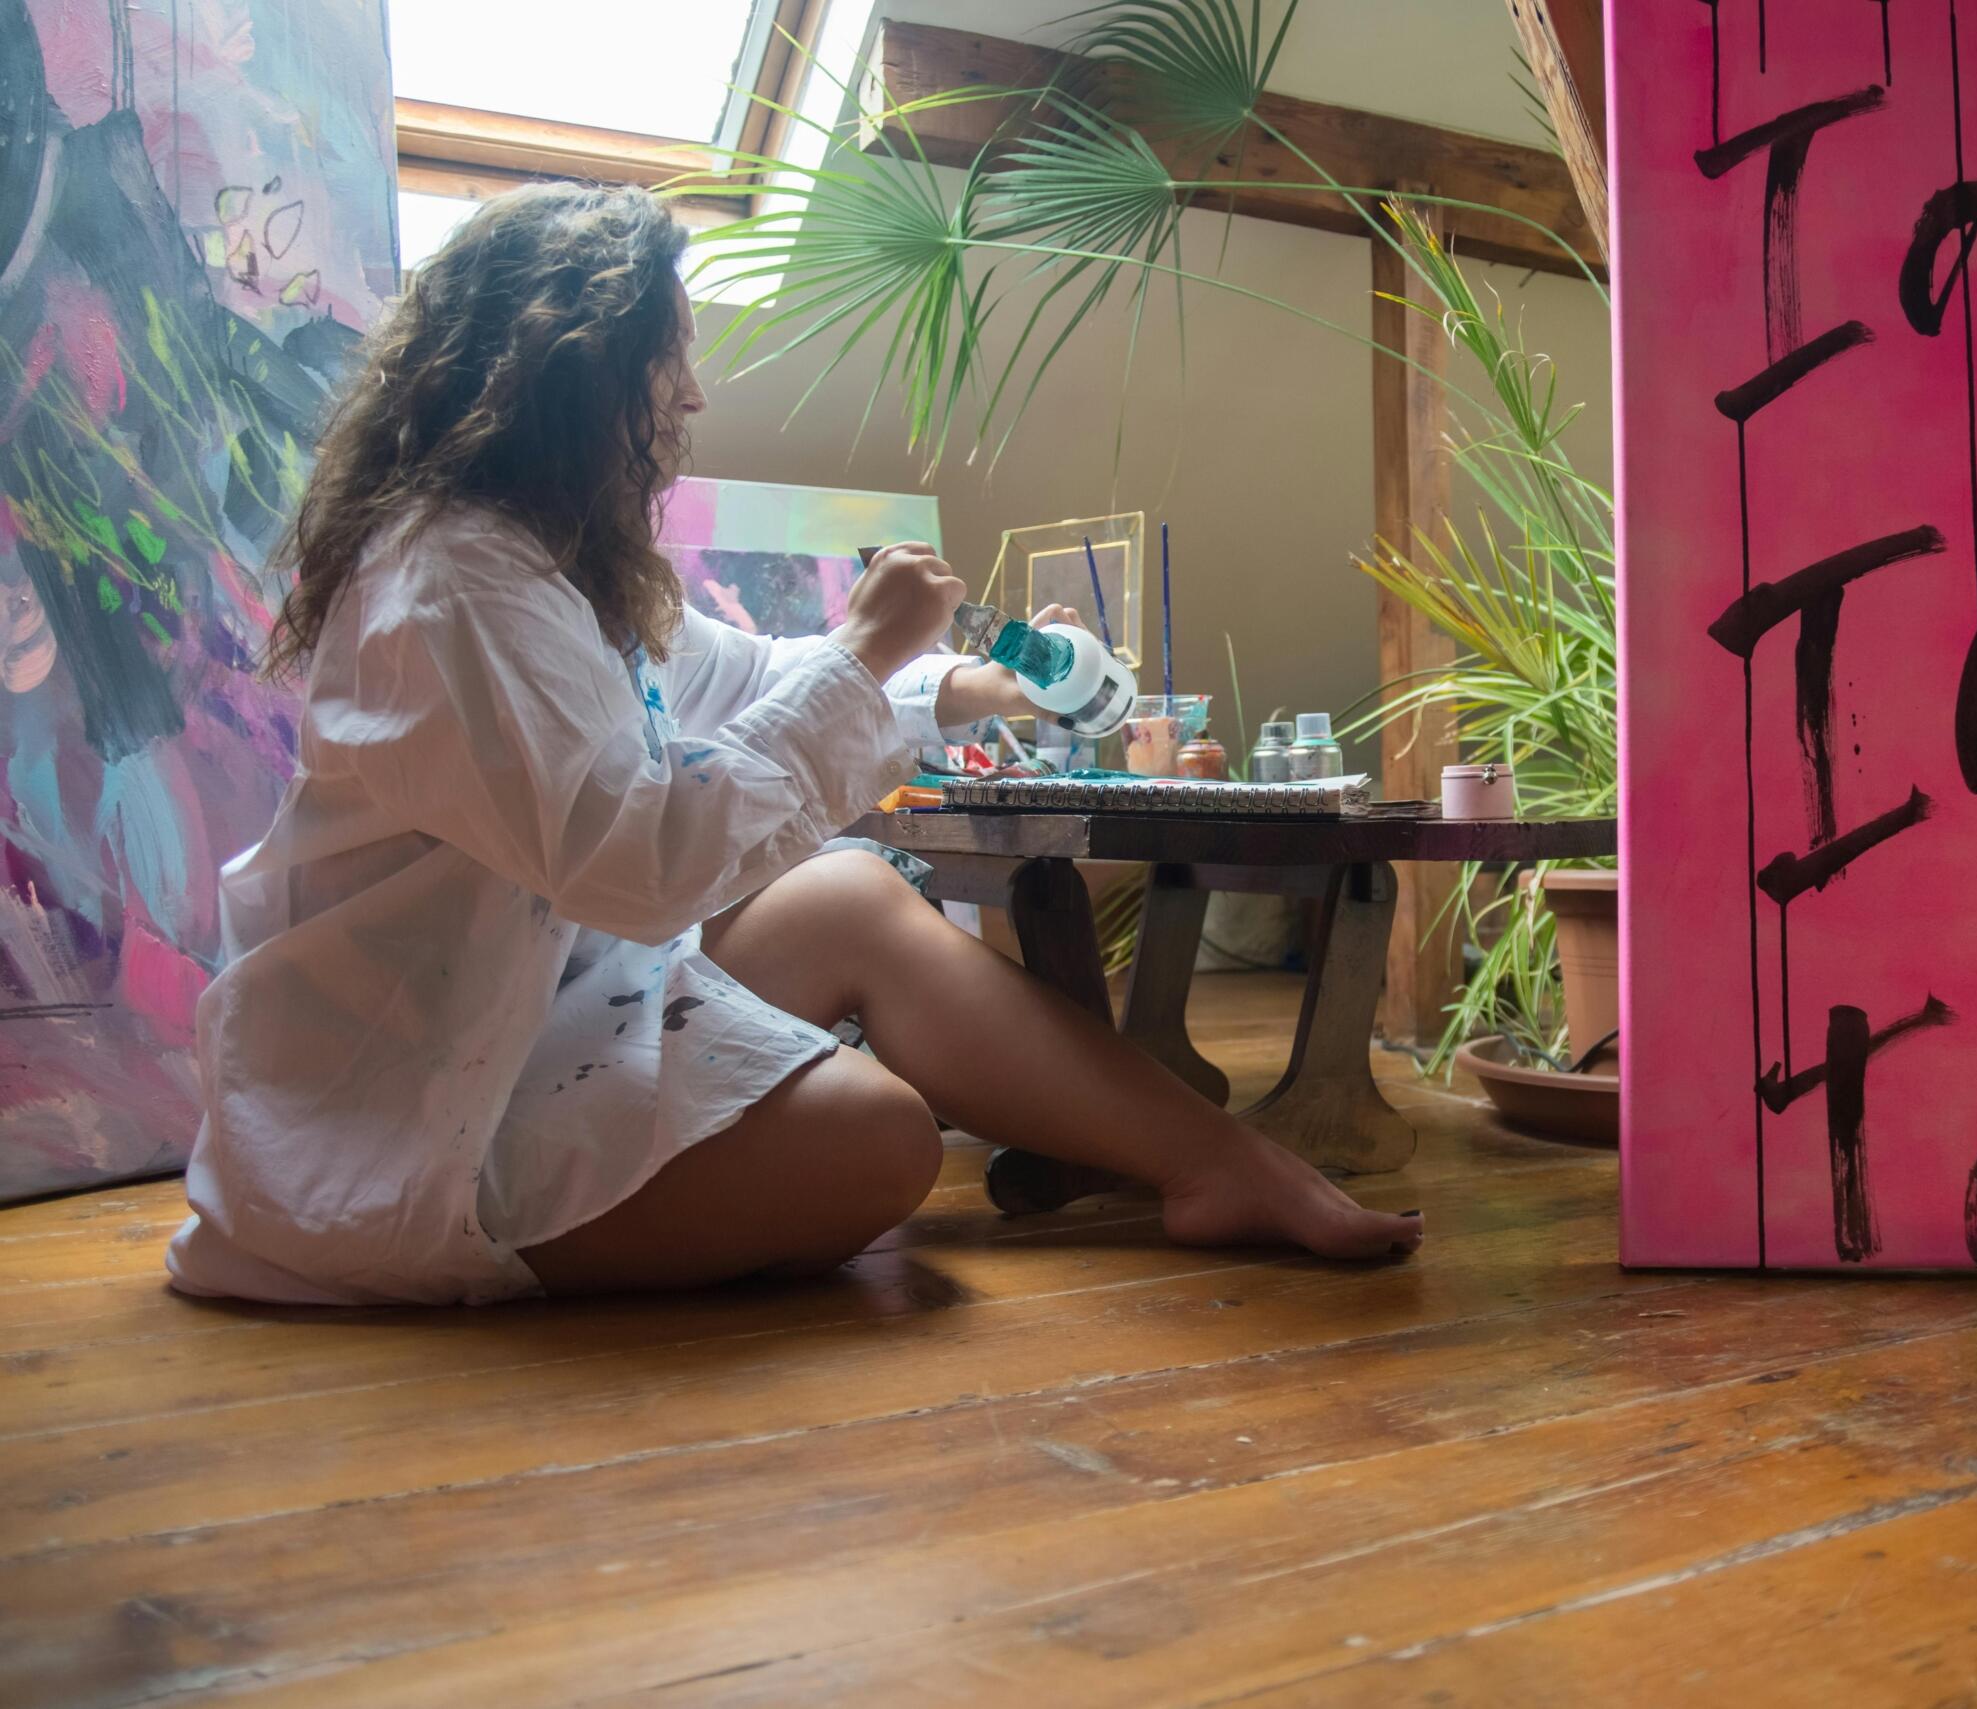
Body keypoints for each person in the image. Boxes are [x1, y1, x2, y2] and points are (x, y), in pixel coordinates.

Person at [165, 183, 1422, 1305]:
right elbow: (637, 866)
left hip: (537, 999)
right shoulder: (450, 587)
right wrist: (861, 645)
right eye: (668, 359)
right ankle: (464, 1236)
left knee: (850, 895)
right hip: (413, 1098)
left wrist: (974, 682)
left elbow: (747, 678)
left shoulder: (541, 562)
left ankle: (1217, 1163)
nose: (692, 396)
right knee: (880, 1143)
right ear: (573, 374)